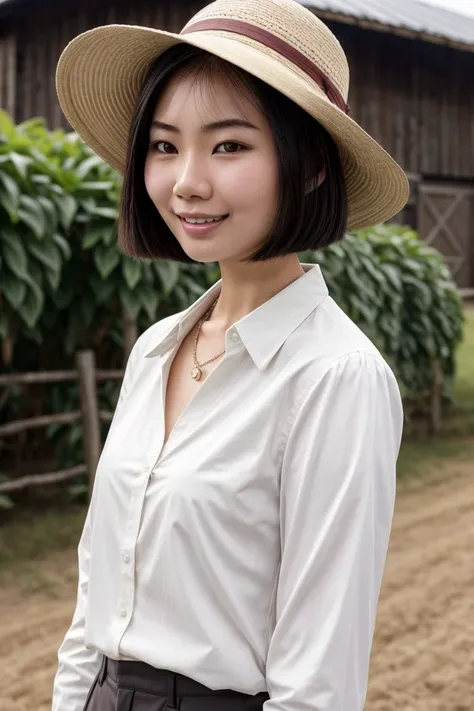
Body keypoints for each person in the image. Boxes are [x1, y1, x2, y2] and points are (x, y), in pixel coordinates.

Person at [52, 0, 409, 709]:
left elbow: (320, 681)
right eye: (163, 146)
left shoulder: (336, 377)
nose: (186, 181)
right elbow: (95, 598)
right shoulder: (157, 348)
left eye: (228, 146)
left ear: (310, 167)